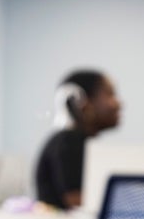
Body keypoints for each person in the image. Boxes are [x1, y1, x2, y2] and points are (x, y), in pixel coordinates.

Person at [34, 69, 122, 210]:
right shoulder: (69, 141)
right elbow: (76, 201)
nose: (118, 104)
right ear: (82, 102)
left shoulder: (80, 141)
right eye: (110, 94)